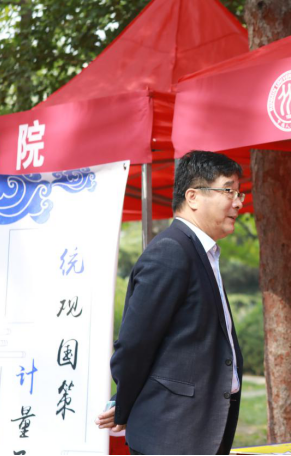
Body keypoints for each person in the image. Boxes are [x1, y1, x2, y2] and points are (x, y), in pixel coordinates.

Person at [95, 151, 245, 455]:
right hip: (172, 434)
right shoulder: (171, 251)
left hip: (200, 429)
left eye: (239, 193)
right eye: (228, 191)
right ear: (193, 197)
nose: (238, 202)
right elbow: (134, 344)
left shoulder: (202, 252)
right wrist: (124, 403)